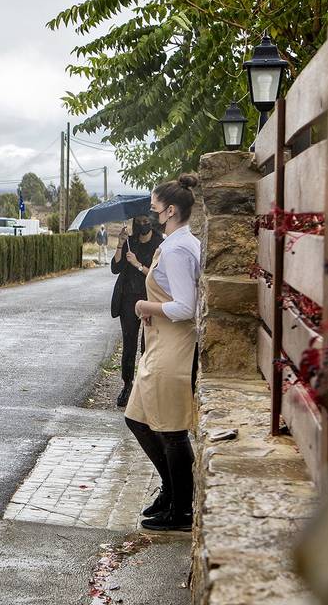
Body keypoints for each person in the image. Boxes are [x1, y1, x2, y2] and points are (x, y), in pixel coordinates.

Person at [124, 174, 201, 532]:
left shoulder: (178, 248)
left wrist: (145, 305)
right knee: (137, 418)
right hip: (159, 345)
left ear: (170, 210)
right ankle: (171, 491)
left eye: (156, 208)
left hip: (176, 347)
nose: (152, 214)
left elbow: (186, 306)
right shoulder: (173, 245)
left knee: (171, 429)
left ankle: (182, 509)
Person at [110, 213, 163, 408]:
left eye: (146, 220)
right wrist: (120, 244)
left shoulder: (160, 244)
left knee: (147, 345)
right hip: (127, 300)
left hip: (151, 299)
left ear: (152, 220)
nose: (143, 224)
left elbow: (158, 277)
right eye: (139, 221)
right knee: (129, 343)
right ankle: (127, 384)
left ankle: (145, 386)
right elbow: (115, 268)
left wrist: (138, 265)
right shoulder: (130, 242)